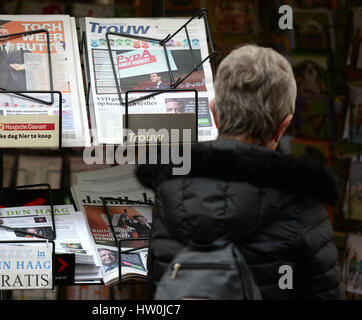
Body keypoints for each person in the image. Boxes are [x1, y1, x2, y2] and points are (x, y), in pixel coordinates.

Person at [135, 44, 344, 299]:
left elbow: (158, 285)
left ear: (214, 113)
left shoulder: (169, 190)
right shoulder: (304, 203)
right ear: (283, 126)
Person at [0, 26, 30, 91]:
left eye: (5, 33)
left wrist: (21, 66)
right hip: (4, 84)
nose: (4, 34)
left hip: (20, 82)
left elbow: (34, 60)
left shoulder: (19, 46)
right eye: (0, 33)